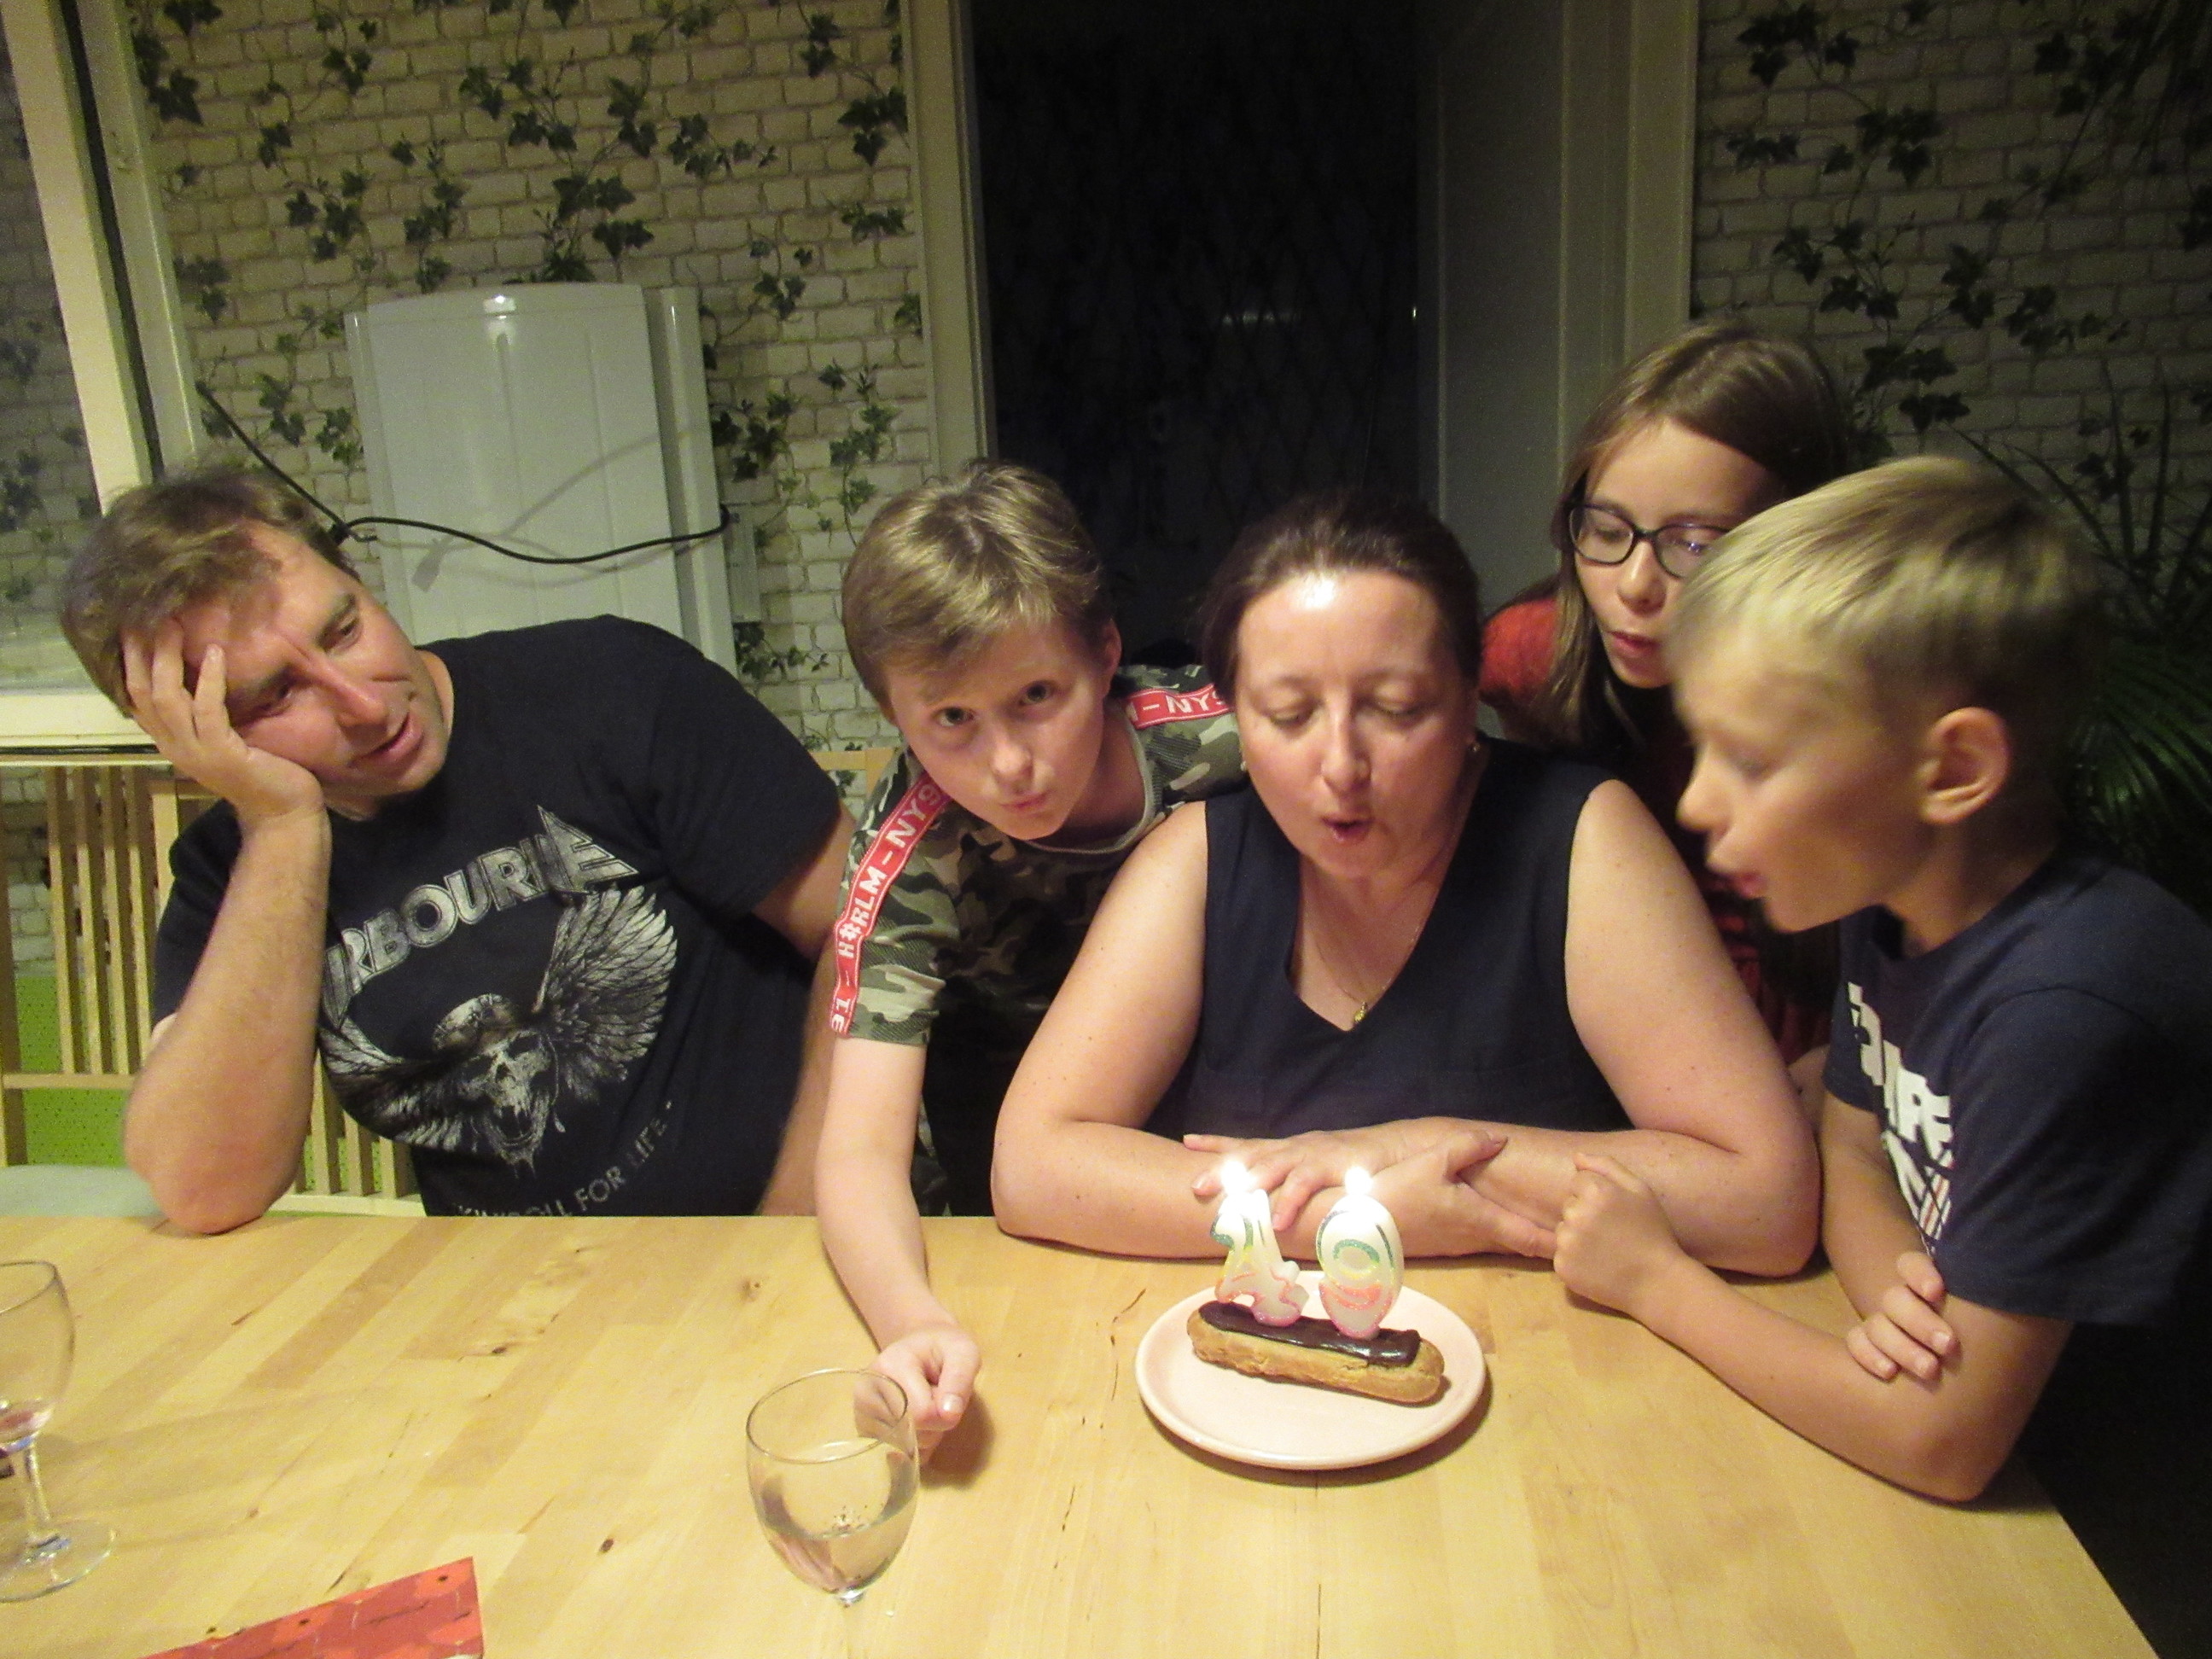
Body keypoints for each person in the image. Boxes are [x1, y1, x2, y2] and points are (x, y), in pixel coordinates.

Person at [1551, 457, 2211, 1657]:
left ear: (1952, 770)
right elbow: (1851, 1148)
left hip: (2126, 1555)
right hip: (2008, 1480)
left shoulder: (2069, 1006)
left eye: (1753, 760)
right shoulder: (1896, 893)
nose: (1696, 802)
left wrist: (1659, 1283)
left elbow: (1943, 1443)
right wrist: (1906, 1289)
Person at [989, 491, 1818, 1277]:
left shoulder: (1583, 842)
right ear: (1236, 715)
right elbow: (1031, 1167)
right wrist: (1352, 1217)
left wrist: (1421, 1148)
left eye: (1395, 707)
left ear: (1469, 697)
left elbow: (1769, 1203)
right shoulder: (1197, 861)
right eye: (1290, 715)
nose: (1342, 766)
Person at [61, 466, 850, 1231]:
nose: (365, 705)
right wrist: (282, 830)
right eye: (276, 693)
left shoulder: (614, 686)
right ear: (190, 731)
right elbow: (204, 1188)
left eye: (344, 630)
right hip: (502, 1292)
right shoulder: (234, 865)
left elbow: (867, 940)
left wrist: (785, 1234)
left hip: (771, 1241)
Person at [812, 462, 1244, 1452]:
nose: (1008, 764)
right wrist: (911, 1321)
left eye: (1038, 694)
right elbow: (861, 1149)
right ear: (895, 716)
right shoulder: (907, 855)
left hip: (1221, 1109)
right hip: (1011, 1156)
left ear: (1106, 652)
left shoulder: (1232, 736)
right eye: (951, 720)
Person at [1482, 319, 1857, 1062]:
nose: (1634, 585)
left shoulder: (1863, 697)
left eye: (1694, 545)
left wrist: (1846, 1067)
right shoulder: (1533, 657)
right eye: (1605, 529)